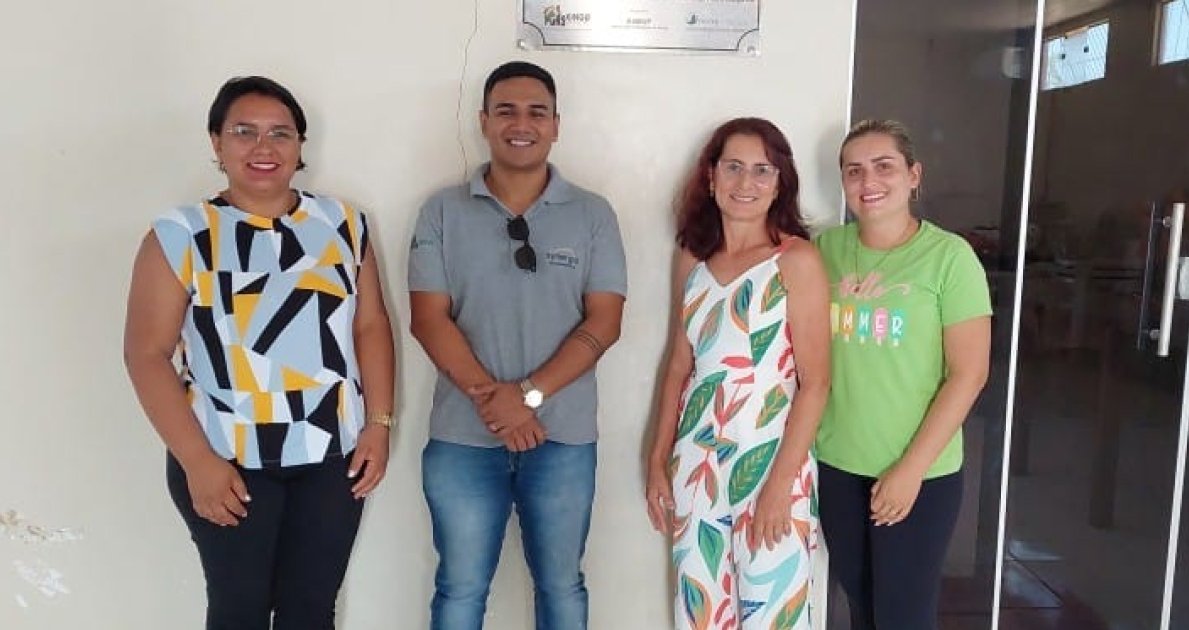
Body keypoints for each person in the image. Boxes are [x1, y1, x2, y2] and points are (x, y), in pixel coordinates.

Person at [123, 76, 396, 630]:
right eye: (244, 132)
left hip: (332, 455)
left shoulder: (344, 224)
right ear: (217, 142)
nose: (263, 147)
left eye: (280, 133)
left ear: (300, 145)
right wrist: (198, 463)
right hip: (226, 457)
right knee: (239, 613)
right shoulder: (181, 234)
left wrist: (379, 423)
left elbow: (370, 325)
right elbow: (146, 354)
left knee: (311, 612)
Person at [407, 61, 627, 630]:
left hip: (563, 439)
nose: (521, 124)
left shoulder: (593, 215)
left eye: (537, 113)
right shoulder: (442, 211)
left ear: (556, 125)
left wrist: (527, 396)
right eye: (506, 111)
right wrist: (496, 403)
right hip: (462, 438)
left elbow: (605, 322)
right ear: (484, 121)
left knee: (562, 586)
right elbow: (429, 320)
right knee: (459, 589)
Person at [645, 117, 830, 630]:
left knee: (773, 615)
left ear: (779, 183)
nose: (746, 182)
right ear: (711, 177)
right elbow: (678, 365)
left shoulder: (796, 260)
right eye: (733, 167)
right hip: (698, 464)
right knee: (700, 614)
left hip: (773, 461)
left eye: (761, 170)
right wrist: (658, 459)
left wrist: (779, 487)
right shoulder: (692, 258)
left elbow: (816, 383)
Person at [814, 119, 991, 630]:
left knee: (903, 616)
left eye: (884, 166)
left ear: (914, 175)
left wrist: (910, 470)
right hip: (838, 465)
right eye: (854, 170)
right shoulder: (824, 251)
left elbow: (968, 374)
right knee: (863, 609)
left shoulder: (949, 258)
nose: (868, 181)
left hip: (920, 472)